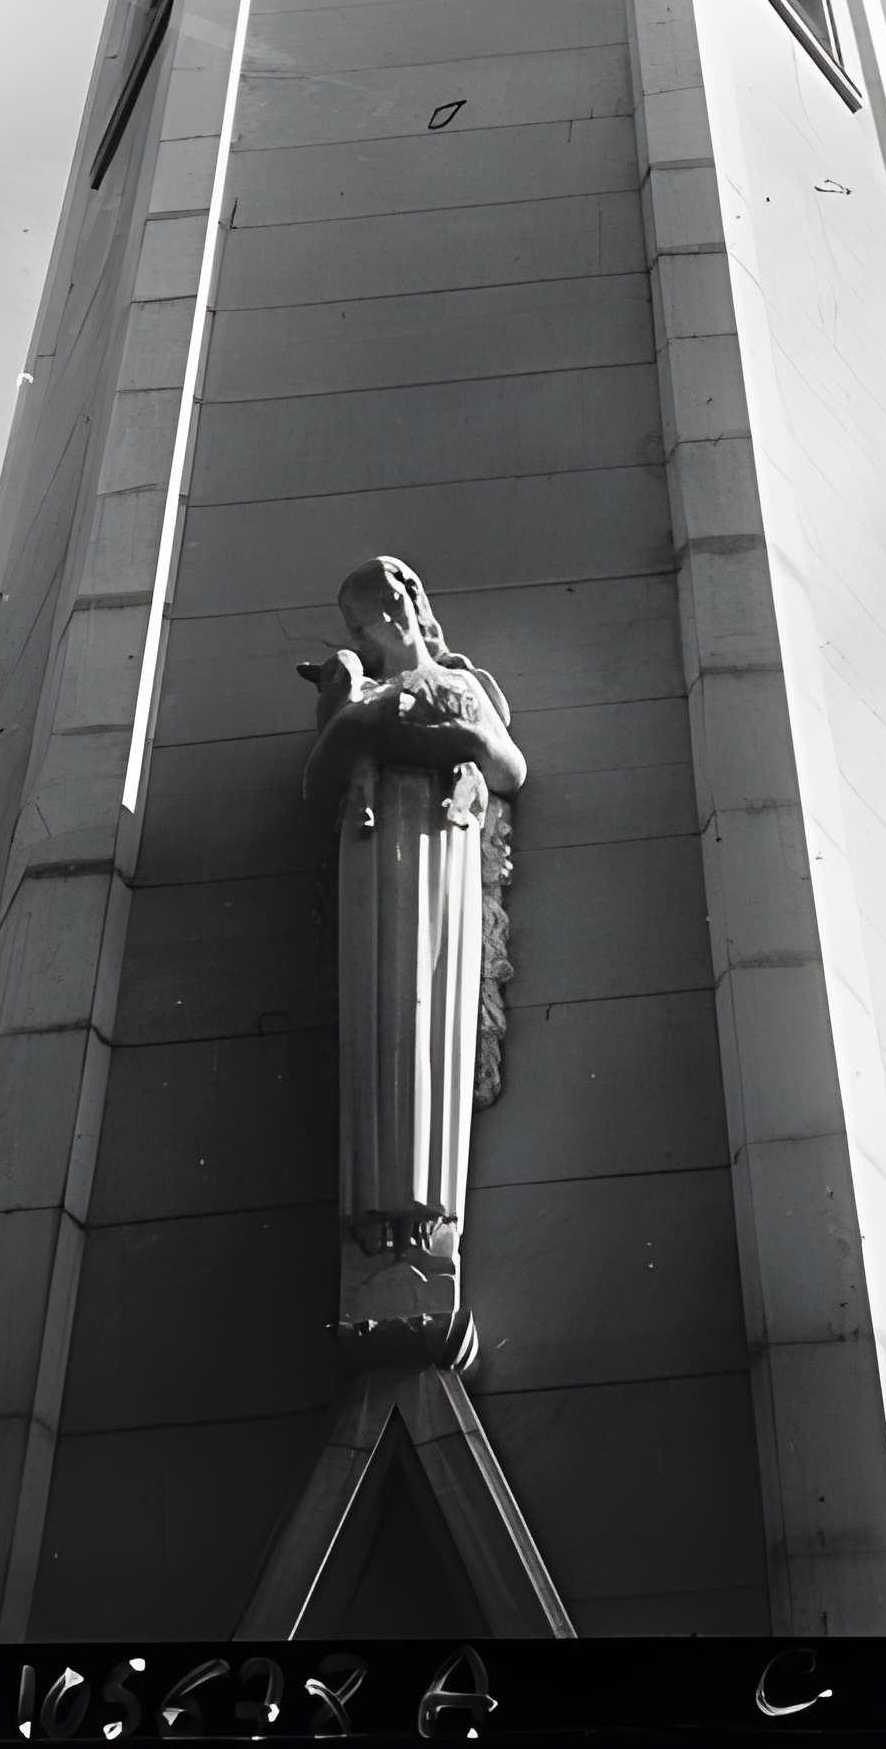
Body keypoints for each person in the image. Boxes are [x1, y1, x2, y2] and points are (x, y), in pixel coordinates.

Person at [299, 558, 524, 1348]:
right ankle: (379, 1223)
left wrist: (439, 732)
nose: (393, 614)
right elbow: (323, 769)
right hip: (377, 862)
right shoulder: (357, 696)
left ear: (419, 603)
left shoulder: (468, 682)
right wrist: (360, 711)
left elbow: (506, 764)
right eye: (372, 611)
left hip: (445, 861)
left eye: (399, 597)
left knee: (432, 1012)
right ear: (360, 629)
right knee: (384, 1012)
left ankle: (431, 1222)